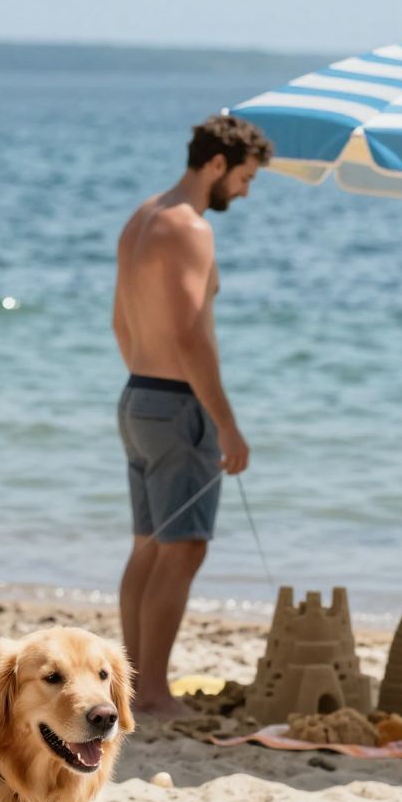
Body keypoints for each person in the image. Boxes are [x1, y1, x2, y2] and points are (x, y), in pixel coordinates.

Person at [111, 113, 271, 718]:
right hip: (177, 405)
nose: (245, 191)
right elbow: (188, 333)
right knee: (183, 549)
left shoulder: (141, 220)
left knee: (150, 545)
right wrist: (224, 420)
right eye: (245, 178)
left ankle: (129, 687)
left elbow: (121, 323)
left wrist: (148, 385)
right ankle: (151, 692)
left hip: (138, 396)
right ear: (216, 165)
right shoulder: (190, 229)